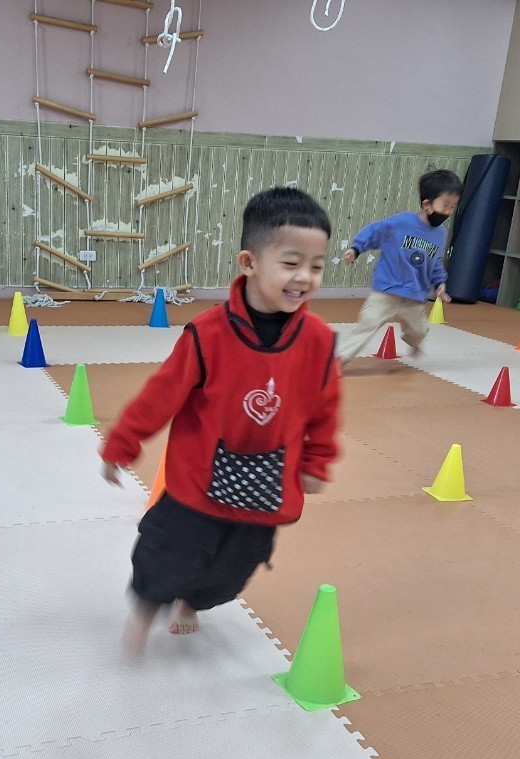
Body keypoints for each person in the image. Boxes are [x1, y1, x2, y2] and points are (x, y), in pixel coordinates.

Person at [100, 187, 342, 653]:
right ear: (249, 262)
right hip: (198, 479)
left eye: (316, 266)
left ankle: (193, 602)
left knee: (232, 569)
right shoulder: (208, 335)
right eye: (291, 263)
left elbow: (325, 410)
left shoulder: (318, 342)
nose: (304, 278)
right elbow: (160, 396)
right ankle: (146, 610)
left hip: (266, 486)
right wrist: (121, 445)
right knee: (166, 552)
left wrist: (317, 461)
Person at [336, 168, 462, 363]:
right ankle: (339, 359)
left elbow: (435, 262)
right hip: (387, 291)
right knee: (366, 325)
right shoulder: (401, 223)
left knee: (419, 332)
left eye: (453, 207)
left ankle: (412, 341)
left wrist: (440, 283)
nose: (449, 212)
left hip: (415, 296)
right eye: (445, 205)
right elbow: (374, 231)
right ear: (426, 204)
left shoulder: (440, 234)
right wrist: (356, 249)